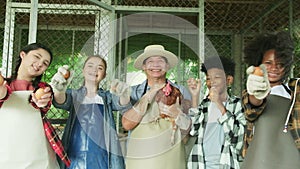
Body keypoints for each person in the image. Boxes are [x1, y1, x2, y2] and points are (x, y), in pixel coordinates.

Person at [51, 55, 131, 169]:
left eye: (100, 68)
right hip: (74, 157)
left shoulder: (107, 98)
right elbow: (60, 101)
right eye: (90, 66)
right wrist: (59, 89)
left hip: (102, 159)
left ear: (104, 75)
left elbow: (122, 103)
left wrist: (124, 93)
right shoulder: (74, 95)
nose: (94, 70)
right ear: (83, 70)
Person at [122, 44, 192, 169]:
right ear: (144, 67)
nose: (156, 65)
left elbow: (187, 134)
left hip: (171, 160)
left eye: (160, 61)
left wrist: (178, 115)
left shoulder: (180, 92)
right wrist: (149, 94)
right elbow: (127, 124)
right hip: (141, 161)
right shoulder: (133, 92)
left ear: (167, 66)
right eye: (150, 61)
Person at [0, 42, 69, 169]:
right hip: (6, 147)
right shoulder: (4, 84)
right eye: (37, 57)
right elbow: (3, 95)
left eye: (45, 63)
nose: (39, 64)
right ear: (23, 55)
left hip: (35, 149)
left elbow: (43, 103)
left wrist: (40, 101)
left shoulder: (43, 88)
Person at [241, 31, 300, 169]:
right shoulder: (251, 91)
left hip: (290, 161)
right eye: (268, 63)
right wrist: (257, 93)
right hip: (259, 160)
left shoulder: (295, 90)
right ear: (258, 63)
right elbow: (251, 110)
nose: (274, 68)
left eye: (280, 64)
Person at [186, 56, 246, 169]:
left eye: (216, 77)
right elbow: (194, 130)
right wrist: (195, 96)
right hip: (201, 165)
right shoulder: (206, 104)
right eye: (208, 78)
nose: (211, 82)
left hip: (226, 165)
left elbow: (237, 139)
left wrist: (219, 104)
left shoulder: (237, 104)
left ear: (229, 80)